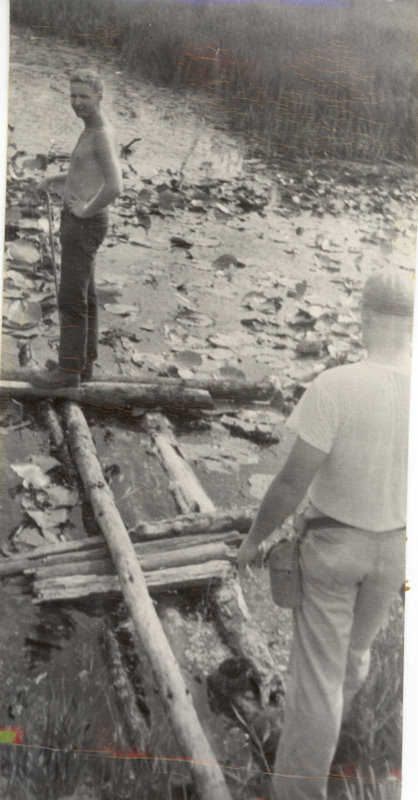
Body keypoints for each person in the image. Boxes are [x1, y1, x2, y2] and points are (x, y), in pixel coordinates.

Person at [238, 268, 413, 800]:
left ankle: (296, 791)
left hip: (335, 549)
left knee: (315, 686)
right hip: (395, 553)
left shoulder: (337, 385)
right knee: (354, 655)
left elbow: (293, 480)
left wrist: (252, 541)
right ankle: (325, 743)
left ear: (363, 320)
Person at [32, 69, 123, 388]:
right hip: (83, 223)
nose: (77, 102)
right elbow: (85, 172)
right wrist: (52, 180)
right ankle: (84, 364)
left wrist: (84, 209)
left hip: (84, 224)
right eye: (73, 95)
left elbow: (115, 186)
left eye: (84, 96)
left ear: (99, 97)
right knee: (87, 295)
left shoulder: (100, 134)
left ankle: (68, 370)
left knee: (71, 297)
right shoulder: (93, 128)